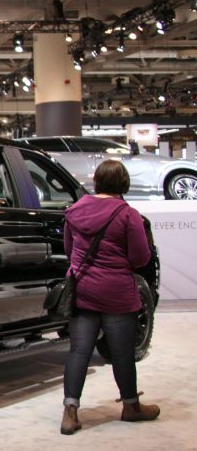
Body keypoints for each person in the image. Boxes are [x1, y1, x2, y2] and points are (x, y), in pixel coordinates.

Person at [61, 159, 160, 435]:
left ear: (97, 183)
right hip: (117, 291)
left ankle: (70, 412)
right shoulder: (128, 215)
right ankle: (131, 407)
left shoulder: (74, 211)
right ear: (124, 183)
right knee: (121, 353)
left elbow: (70, 251)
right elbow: (141, 257)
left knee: (79, 351)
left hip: (83, 290)